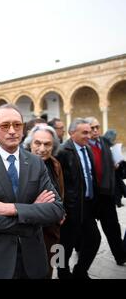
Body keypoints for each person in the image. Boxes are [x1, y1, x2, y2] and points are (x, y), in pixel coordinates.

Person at [0, 104, 64, 279]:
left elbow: (57, 210)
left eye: (17, 125)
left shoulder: (36, 163)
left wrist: (14, 209)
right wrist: (32, 215)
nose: (12, 131)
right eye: (5, 126)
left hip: (33, 258)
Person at [56, 118, 101, 279]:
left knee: (94, 239)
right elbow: (56, 183)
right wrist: (60, 208)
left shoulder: (87, 149)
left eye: (89, 132)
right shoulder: (62, 152)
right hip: (69, 210)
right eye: (85, 132)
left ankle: (80, 271)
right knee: (62, 246)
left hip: (87, 207)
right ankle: (62, 272)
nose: (89, 136)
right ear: (71, 133)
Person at [23, 125, 65, 278]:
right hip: (28, 231)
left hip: (50, 230)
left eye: (47, 144)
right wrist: (35, 207)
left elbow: (60, 190)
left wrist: (61, 210)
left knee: (48, 269)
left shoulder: (55, 164)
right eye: (37, 143)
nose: (42, 148)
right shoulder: (20, 164)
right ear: (29, 144)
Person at [85, 117, 126, 265]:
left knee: (113, 227)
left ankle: (120, 256)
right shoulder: (83, 146)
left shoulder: (104, 142)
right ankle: (80, 250)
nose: (95, 130)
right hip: (90, 196)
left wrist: (116, 165)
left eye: (97, 127)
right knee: (88, 232)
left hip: (106, 193)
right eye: (92, 128)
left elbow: (112, 162)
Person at [104, 129, 126, 207]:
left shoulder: (111, 146)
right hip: (110, 173)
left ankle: (118, 201)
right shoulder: (104, 146)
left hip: (115, 171)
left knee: (118, 185)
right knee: (117, 186)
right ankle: (117, 201)